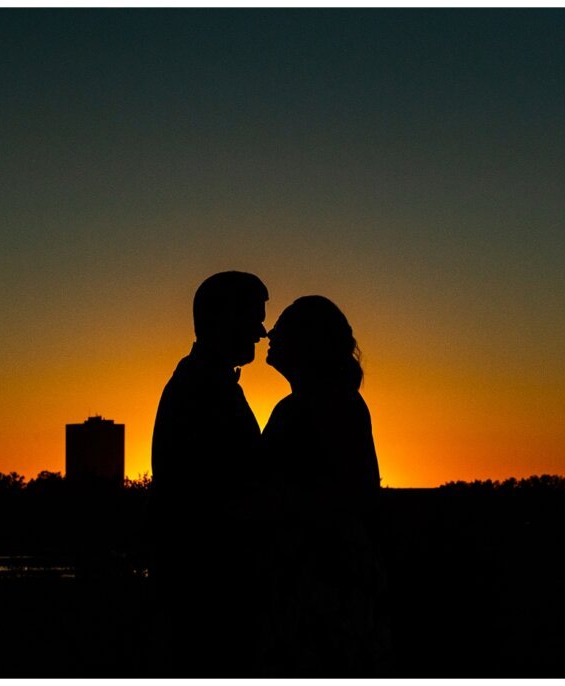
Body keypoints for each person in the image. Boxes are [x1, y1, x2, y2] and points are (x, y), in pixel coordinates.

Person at [261, 295, 388, 676]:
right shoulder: (331, 401)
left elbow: (348, 494)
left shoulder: (316, 406)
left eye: (281, 326)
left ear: (307, 341)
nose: (270, 333)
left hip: (321, 592)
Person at [150, 271, 269, 675]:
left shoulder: (206, 381)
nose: (261, 331)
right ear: (223, 318)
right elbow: (218, 495)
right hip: (211, 594)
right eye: (253, 318)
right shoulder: (203, 388)